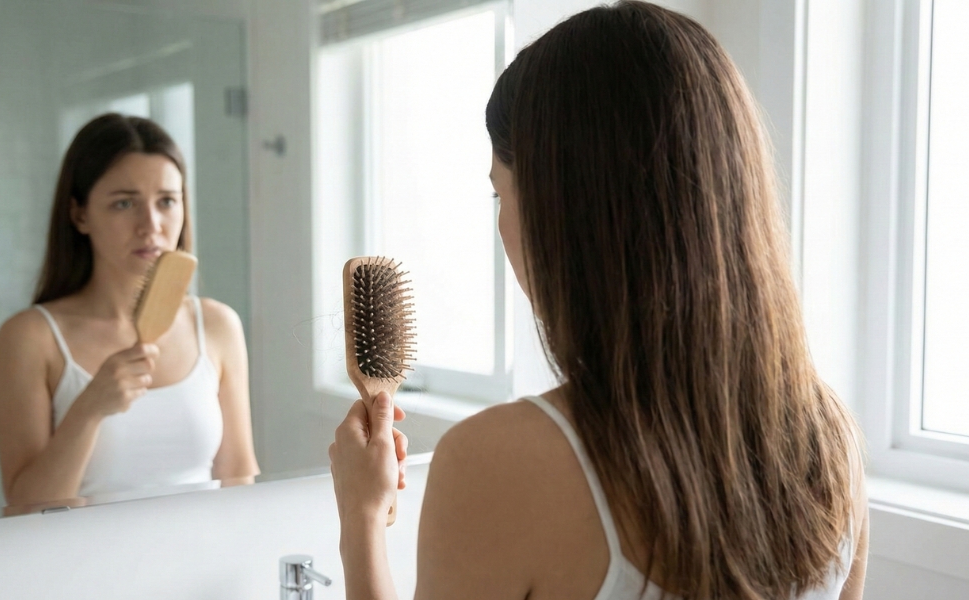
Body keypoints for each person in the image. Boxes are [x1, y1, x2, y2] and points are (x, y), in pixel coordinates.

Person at [331, 2, 869, 599]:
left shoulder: (500, 461)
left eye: (498, 195)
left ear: (557, 210)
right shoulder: (828, 441)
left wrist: (360, 519)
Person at [0, 113, 259, 507]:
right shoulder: (30, 337)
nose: (150, 224)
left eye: (167, 201)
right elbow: (25, 508)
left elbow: (240, 481)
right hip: (82, 565)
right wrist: (88, 408)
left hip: (204, 560)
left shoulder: (218, 325)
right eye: (123, 203)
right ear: (79, 214)